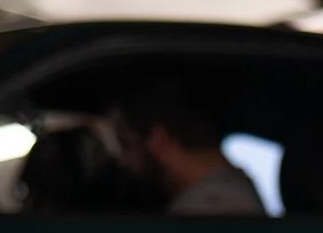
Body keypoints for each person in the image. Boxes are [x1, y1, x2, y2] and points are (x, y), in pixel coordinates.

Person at [112, 78, 266, 216]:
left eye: (127, 144)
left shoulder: (209, 209)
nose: (123, 161)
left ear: (159, 139)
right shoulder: (230, 195)